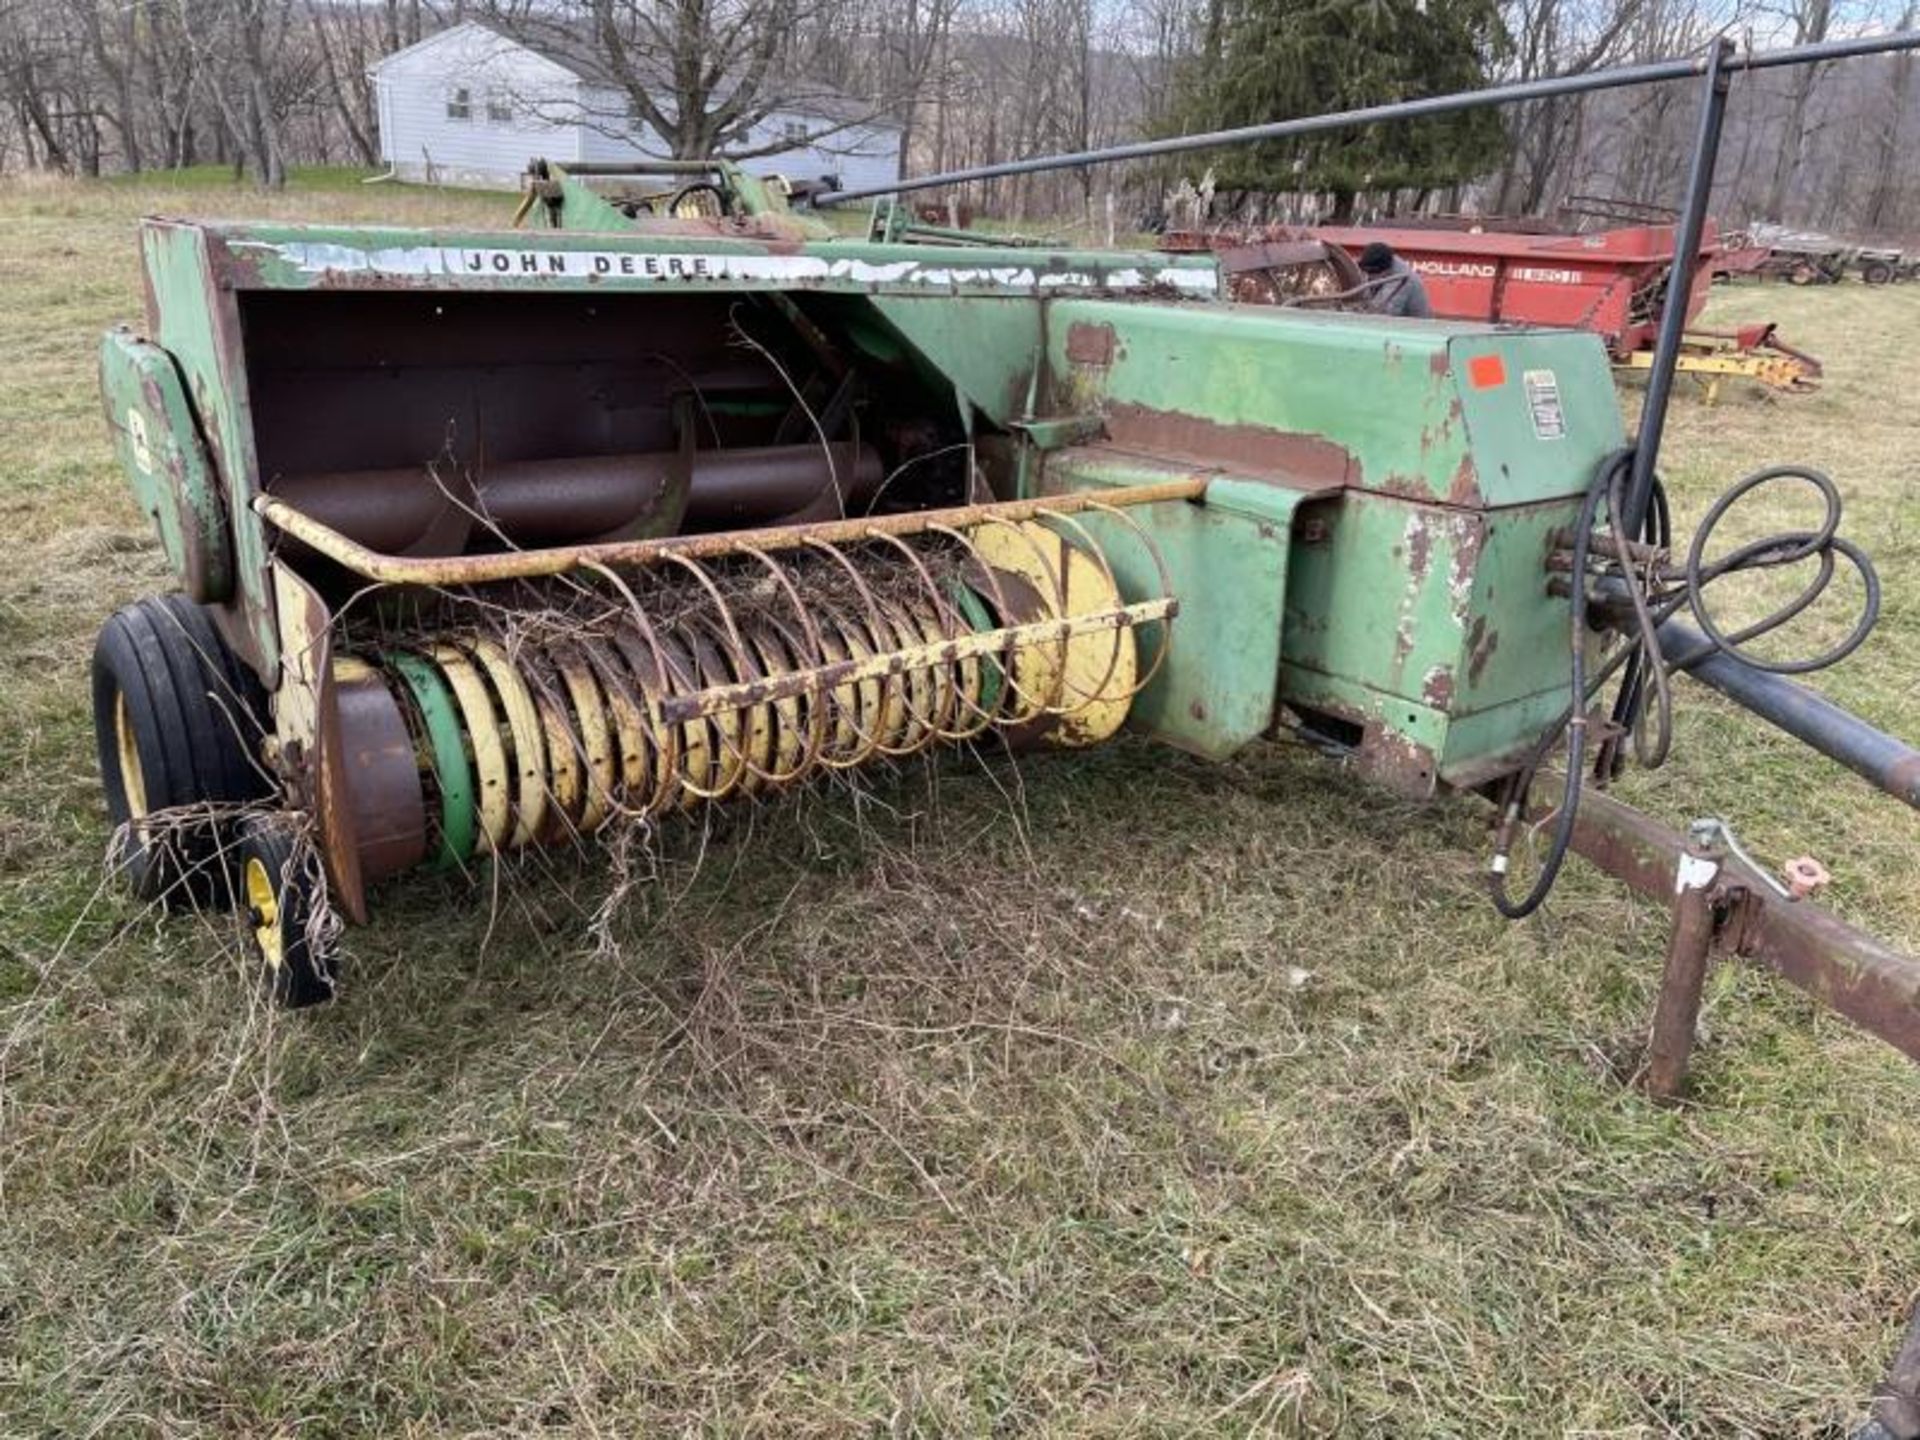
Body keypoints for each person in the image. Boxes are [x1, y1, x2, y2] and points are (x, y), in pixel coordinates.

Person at [1357, 241, 1433, 319]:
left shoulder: (1402, 281)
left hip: (1412, 326)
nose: (1369, 277)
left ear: (1385, 270)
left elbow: (1383, 313)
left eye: (1372, 273)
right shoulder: (1385, 262)